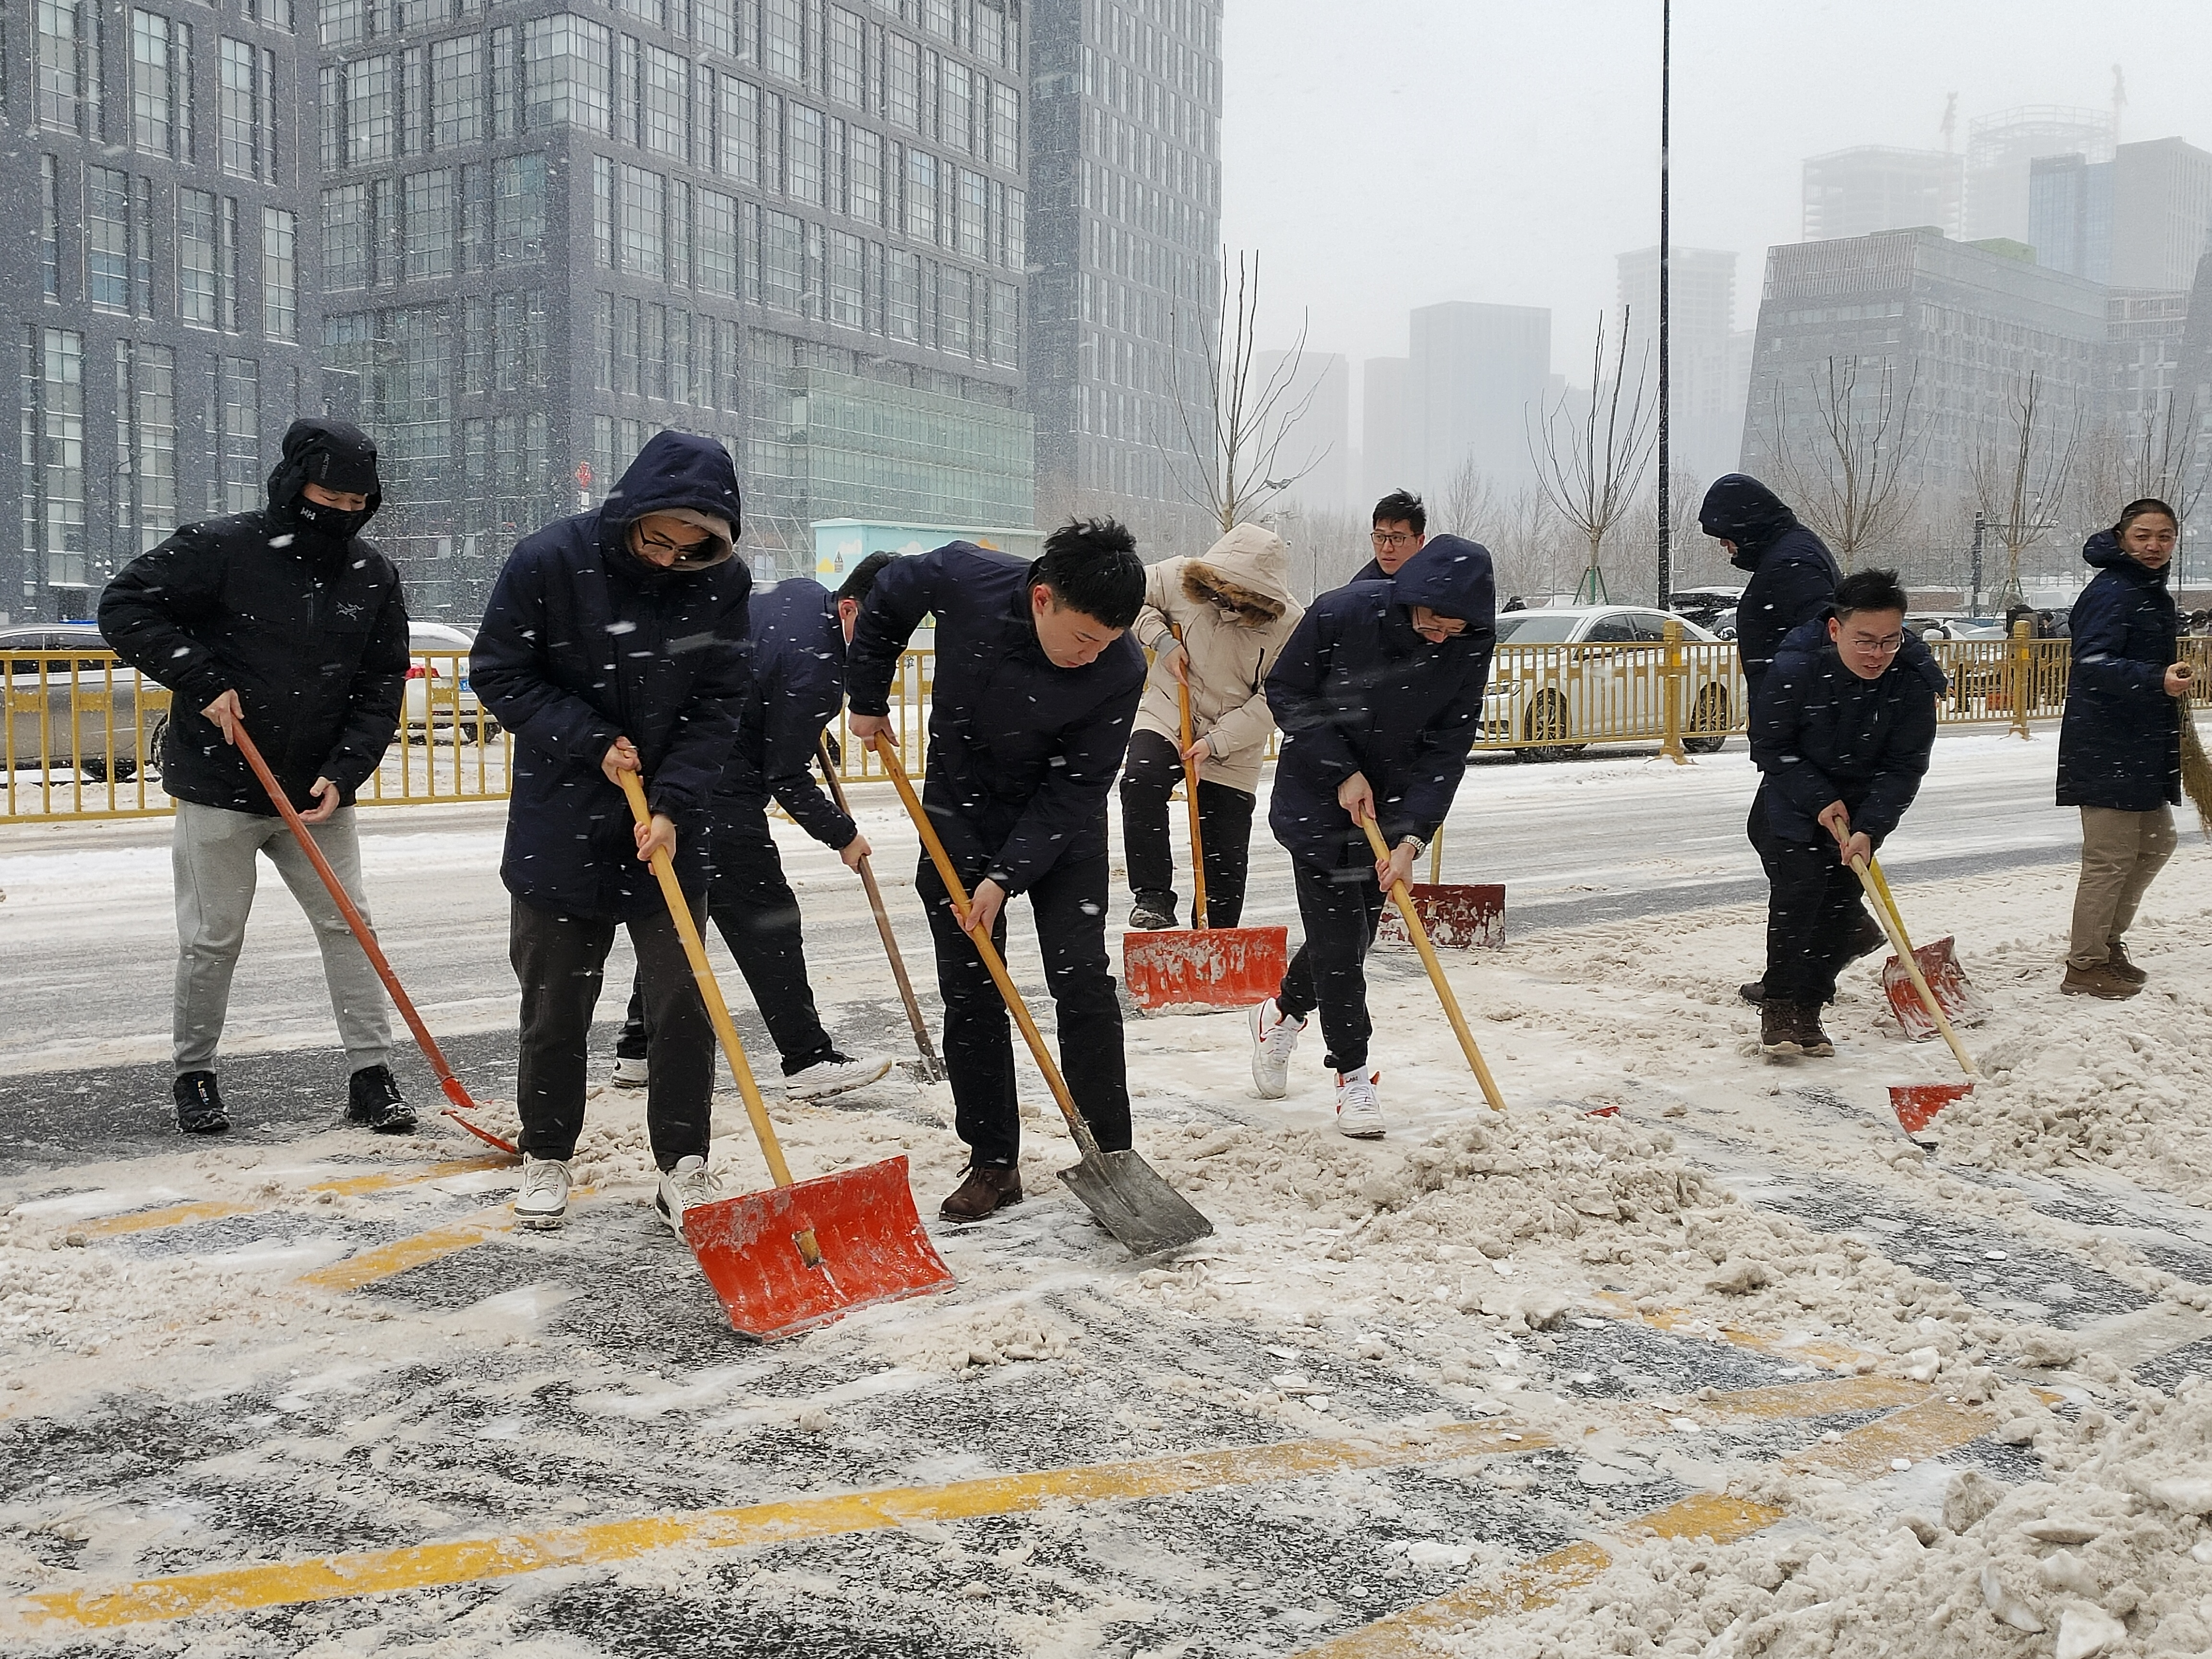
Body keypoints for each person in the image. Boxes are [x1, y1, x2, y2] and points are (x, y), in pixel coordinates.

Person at [100, 419, 416, 1138]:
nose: (343, 512)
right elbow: (124, 606)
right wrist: (201, 678)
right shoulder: (221, 548)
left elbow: (380, 682)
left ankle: (372, 1076)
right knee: (214, 936)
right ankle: (195, 1074)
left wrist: (346, 770)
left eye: (357, 502)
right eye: (329, 497)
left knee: (351, 927)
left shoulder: (371, 573)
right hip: (219, 781)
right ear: (295, 484)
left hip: (317, 794)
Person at [470, 433, 752, 1234]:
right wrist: (589, 738)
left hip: (668, 825)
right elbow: (498, 671)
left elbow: (719, 701)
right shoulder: (550, 560)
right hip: (560, 817)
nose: (669, 560)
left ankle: (683, 1165)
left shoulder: (722, 583)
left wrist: (674, 804)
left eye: (690, 549)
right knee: (555, 1005)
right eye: (657, 540)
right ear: (632, 510)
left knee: (684, 1002)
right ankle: (546, 1153)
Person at [845, 523, 1146, 1221]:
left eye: (1107, 642)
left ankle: (1113, 1155)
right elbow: (887, 597)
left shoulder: (1121, 667)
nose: (1092, 655)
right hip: (961, 808)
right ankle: (993, 1161)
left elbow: (1077, 788)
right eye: (1083, 638)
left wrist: (1007, 876)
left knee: (1081, 980)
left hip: (1060, 825)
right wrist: (867, 695)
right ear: (1042, 599)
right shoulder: (963, 578)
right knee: (973, 988)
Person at [608, 556, 894, 1096]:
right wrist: (843, 835)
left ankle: (638, 1050)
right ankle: (807, 1060)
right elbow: (785, 776)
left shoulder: (803, 595)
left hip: (670, 769)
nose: (884, 649)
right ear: (849, 608)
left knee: (684, 915)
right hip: (717, 789)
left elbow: (764, 682)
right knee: (769, 922)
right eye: (880, 634)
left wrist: (805, 720)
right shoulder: (818, 669)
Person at [1247, 536, 1497, 1138]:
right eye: (1431, 623)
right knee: (1340, 944)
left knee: (1349, 939)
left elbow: (1448, 748)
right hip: (1318, 799)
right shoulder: (1344, 613)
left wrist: (1411, 840)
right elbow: (1287, 691)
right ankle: (1352, 1074)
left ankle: (1282, 1013)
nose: (1439, 638)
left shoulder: (1467, 647)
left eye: (1454, 630)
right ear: (1412, 597)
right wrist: (1341, 769)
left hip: (1390, 811)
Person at [1748, 568, 1944, 1058]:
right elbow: (1770, 745)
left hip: (1862, 803)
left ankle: (1810, 1008)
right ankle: (1780, 1006)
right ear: (1836, 629)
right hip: (1795, 796)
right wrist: (1818, 797)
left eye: (1890, 641)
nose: (1877, 654)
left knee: (1839, 904)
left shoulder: (1912, 680)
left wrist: (1871, 826)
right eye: (1865, 641)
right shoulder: (1796, 667)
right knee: (1799, 896)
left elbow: (1905, 766)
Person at [1696, 473, 1875, 1004]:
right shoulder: (1790, 553)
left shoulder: (1793, 564)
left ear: (1748, 525)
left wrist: (1796, 721)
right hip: (1807, 726)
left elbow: (1821, 643)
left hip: (1811, 731)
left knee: (1793, 852)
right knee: (1792, 843)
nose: (1725, 546)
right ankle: (1836, 940)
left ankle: (1801, 978)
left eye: (1727, 534)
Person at [1120, 524, 1304, 930]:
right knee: (1142, 780)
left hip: (1235, 741)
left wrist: (1217, 743)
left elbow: (1277, 700)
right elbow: (1124, 595)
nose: (1223, 605)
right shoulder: (1176, 576)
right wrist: (1161, 640)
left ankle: (1216, 937)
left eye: (1236, 600)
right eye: (1217, 594)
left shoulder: (1291, 625)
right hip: (1171, 710)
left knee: (1225, 851)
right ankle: (1153, 896)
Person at [2055, 499, 2188, 999]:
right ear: (2122, 538)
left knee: (2156, 844)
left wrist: (2160, 681)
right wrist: (2155, 679)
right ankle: (2085, 964)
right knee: (2109, 859)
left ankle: (2108, 942)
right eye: (2143, 536)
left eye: (2164, 536)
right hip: (2105, 743)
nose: (2154, 546)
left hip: (2141, 744)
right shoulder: (2113, 590)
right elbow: (2091, 663)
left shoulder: (2146, 589)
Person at [1347, 490, 1428, 583]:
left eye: (1397, 538)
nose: (1387, 549)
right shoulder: (1362, 588)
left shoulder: (1437, 580)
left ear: (1420, 542)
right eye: (1380, 537)